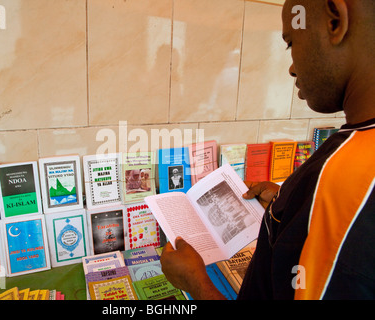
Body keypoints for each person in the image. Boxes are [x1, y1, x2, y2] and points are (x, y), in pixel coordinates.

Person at [160, 0, 375, 300]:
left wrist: (197, 283)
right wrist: (290, 209)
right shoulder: (351, 158)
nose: (290, 67)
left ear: (335, 21)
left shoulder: (346, 180)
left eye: (290, 43)